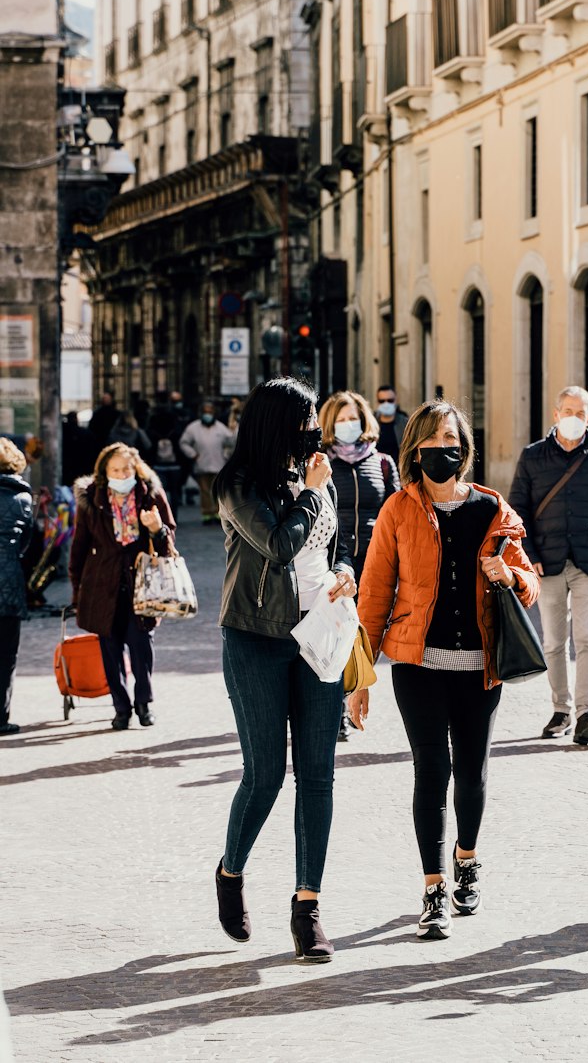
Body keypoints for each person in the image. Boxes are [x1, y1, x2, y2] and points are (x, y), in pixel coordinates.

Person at [348, 400, 538, 941]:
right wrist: (359, 677)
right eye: (429, 441)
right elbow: (374, 596)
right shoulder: (397, 511)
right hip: (418, 667)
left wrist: (509, 576)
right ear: (414, 450)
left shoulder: (491, 509)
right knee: (431, 771)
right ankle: (433, 889)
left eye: (449, 439)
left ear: (464, 447)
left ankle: (467, 859)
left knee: (472, 770)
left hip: (481, 667)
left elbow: (529, 584)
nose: (440, 450)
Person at [214, 377, 357, 964]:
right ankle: (230, 870)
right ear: (279, 424)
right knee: (266, 773)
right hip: (256, 638)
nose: (316, 432)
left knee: (318, 775)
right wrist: (313, 497)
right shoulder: (236, 486)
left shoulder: (308, 480)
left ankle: (307, 908)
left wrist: (345, 569)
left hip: (318, 634)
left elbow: (333, 544)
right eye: (306, 422)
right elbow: (278, 545)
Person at [508, 385, 588, 745]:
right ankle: (561, 708)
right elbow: (517, 511)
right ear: (555, 414)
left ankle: (586, 712)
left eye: (581, 412)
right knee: (555, 642)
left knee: (587, 638)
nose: (574, 417)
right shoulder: (533, 457)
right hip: (548, 562)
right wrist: (531, 556)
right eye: (568, 411)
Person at [69, 442, 176, 730]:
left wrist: (156, 529)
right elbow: (79, 546)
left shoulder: (150, 493)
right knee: (110, 648)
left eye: (126, 468)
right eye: (115, 469)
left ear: (136, 468)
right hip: (101, 584)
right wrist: (77, 590)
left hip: (141, 582)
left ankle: (144, 703)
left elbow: (169, 540)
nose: (121, 474)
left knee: (142, 645)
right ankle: (121, 708)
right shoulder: (92, 498)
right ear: (104, 471)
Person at [318, 389, 400, 741]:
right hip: (333, 557)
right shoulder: (320, 462)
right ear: (329, 425)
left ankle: (352, 695)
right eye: (341, 420)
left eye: (353, 418)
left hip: (375, 558)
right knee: (337, 632)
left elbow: (396, 510)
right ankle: (335, 709)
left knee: (362, 633)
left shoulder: (382, 462)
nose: (348, 425)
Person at [0, 439, 33, 735]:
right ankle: (0, 717)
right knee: (6, 654)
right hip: (8, 582)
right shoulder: (22, 499)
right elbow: (27, 545)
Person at [180, 401, 235, 524]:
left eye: (210, 412)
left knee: (217, 492)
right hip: (202, 464)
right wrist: (193, 454)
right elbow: (184, 443)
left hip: (219, 464)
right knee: (204, 491)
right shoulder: (193, 428)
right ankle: (206, 514)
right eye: (205, 412)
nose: (207, 415)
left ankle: (217, 513)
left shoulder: (221, 428)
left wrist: (226, 455)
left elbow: (231, 442)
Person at [373, 385, 408, 462]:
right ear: (377, 402)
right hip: (376, 470)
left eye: (390, 400)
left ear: (396, 400)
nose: (386, 404)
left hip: (399, 471)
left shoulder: (405, 424)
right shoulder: (371, 423)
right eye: (382, 401)